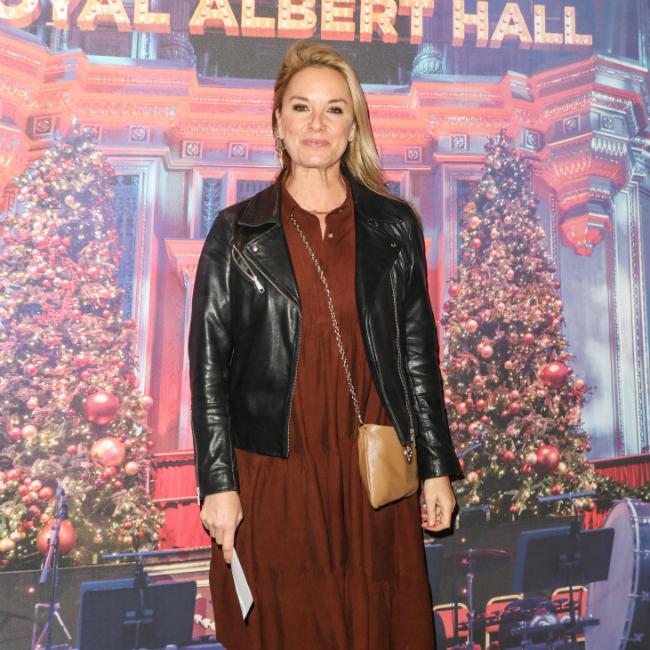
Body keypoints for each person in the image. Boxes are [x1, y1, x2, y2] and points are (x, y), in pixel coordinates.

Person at [188, 40, 463, 650]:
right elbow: (208, 372)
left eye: (334, 109)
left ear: (353, 125)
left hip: (371, 474)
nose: (317, 124)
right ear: (278, 123)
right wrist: (218, 484)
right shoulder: (237, 232)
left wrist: (437, 469)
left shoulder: (394, 226)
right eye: (301, 107)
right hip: (274, 474)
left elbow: (419, 359)